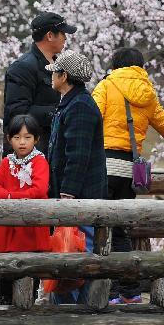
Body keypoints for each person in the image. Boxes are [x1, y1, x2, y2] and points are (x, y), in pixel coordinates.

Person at [92, 46, 164, 305]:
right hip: (130, 170)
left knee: (101, 228)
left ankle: (112, 290)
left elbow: (91, 119)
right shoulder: (147, 93)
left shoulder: (106, 86)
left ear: (115, 65)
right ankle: (130, 291)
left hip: (105, 165)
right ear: (140, 66)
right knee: (121, 230)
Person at [45, 49, 105, 305]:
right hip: (77, 195)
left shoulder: (79, 106)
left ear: (64, 76)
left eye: (55, 72)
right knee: (70, 247)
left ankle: (78, 306)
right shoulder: (73, 102)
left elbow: (77, 155)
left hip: (81, 197)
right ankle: (70, 303)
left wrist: (67, 194)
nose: (51, 77)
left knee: (78, 250)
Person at [0, 114, 51, 305]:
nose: (22, 142)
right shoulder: (7, 162)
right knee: (6, 269)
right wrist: (10, 196)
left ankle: (26, 307)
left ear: (36, 139)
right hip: (8, 226)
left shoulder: (40, 162)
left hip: (31, 225)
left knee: (29, 268)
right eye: (17, 138)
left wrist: (9, 196)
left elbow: (39, 189)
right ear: (9, 139)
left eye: (27, 137)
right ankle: (4, 303)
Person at [3, 12, 78, 154]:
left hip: (52, 152)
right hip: (29, 157)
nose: (66, 38)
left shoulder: (59, 66)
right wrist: (58, 112)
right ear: (50, 35)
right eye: (62, 33)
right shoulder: (23, 67)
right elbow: (17, 112)